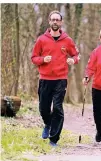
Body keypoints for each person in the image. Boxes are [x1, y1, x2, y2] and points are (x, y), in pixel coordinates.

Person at [31, 10, 80, 147]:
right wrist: (42, 59)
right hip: (45, 79)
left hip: (60, 79)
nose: (55, 22)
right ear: (49, 21)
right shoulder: (41, 40)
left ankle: (54, 138)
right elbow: (34, 58)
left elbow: (77, 55)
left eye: (57, 20)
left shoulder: (67, 40)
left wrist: (73, 60)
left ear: (61, 22)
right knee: (43, 108)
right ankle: (47, 124)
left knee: (58, 108)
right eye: (53, 19)